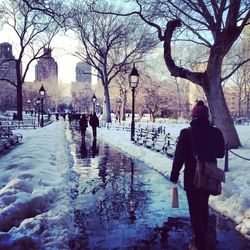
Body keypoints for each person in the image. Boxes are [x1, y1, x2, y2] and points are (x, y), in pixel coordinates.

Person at [170, 100, 225, 250]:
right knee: (203, 207)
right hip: (209, 176)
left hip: (192, 178)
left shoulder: (186, 133)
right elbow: (220, 154)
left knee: (195, 210)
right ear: (207, 116)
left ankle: (199, 243)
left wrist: (174, 175)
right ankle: (201, 239)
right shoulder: (216, 132)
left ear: (194, 116)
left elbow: (179, 157)